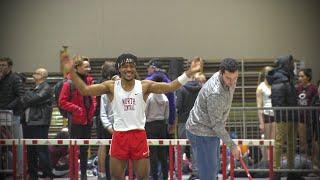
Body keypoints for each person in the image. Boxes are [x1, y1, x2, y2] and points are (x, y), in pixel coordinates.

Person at [61, 53, 202, 180]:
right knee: (116, 177)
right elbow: (85, 90)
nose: (128, 69)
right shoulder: (111, 86)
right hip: (119, 136)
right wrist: (71, 72)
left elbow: (171, 86)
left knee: (142, 177)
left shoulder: (144, 86)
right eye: (124, 66)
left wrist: (190, 72)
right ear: (119, 69)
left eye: (131, 66)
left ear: (135, 68)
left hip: (139, 136)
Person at [185, 58, 241, 180]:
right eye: (228, 78)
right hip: (200, 132)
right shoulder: (215, 93)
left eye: (235, 78)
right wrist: (232, 146)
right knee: (208, 174)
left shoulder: (228, 79)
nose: (232, 82)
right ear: (221, 73)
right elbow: (216, 125)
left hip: (211, 130)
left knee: (213, 170)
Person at [59, 55, 97, 180]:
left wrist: (93, 109)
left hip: (88, 121)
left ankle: (84, 175)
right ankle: (73, 175)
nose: (88, 69)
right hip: (75, 122)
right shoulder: (69, 83)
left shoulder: (90, 81)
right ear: (77, 67)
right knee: (74, 150)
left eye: (89, 66)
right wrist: (77, 109)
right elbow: (62, 102)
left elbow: (93, 99)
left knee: (85, 149)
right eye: (86, 66)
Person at [266, 54, 298, 179]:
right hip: (283, 118)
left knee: (291, 144)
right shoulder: (280, 80)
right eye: (290, 63)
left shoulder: (288, 78)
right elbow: (278, 103)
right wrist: (284, 116)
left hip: (291, 116)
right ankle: (276, 170)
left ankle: (291, 171)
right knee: (279, 143)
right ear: (285, 64)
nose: (292, 65)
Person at [20, 68, 53, 179]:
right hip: (28, 123)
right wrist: (28, 96)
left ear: (43, 75)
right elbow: (23, 101)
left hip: (39, 122)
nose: (33, 74)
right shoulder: (34, 88)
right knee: (30, 151)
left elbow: (34, 99)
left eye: (36, 72)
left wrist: (27, 95)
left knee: (41, 150)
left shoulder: (46, 87)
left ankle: (48, 174)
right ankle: (33, 175)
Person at [0, 57, 25, 176]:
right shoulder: (1, 79)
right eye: (0, 65)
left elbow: (20, 96)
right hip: (2, 115)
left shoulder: (15, 78)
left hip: (13, 114)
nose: (1, 67)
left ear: (10, 66)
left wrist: (8, 107)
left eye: (3, 65)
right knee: (3, 144)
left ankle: (19, 171)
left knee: (16, 144)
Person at [176, 72, 203, 178]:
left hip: (183, 122)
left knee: (180, 147)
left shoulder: (181, 89)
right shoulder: (201, 89)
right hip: (196, 122)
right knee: (195, 148)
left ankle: (179, 170)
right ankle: (196, 171)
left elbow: (178, 106)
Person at [145, 74, 170, 180]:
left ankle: (154, 176)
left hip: (150, 125)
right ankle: (165, 176)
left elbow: (145, 111)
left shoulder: (150, 97)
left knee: (153, 153)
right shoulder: (165, 98)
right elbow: (167, 115)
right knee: (163, 153)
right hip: (162, 125)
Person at [97, 61, 118, 180]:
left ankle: (103, 173)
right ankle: (103, 173)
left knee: (106, 147)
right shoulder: (104, 87)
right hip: (105, 121)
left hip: (111, 122)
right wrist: (109, 126)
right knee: (105, 147)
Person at [145, 58, 176, 135]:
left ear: (153, 68)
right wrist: (171, 122)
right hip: (163, 123)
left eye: (148, 67)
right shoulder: (169, 83)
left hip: (149, 123)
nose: (147, 70)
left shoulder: (147, 82)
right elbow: (172, 105)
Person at [295, 69, 318, 157]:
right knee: (302, 141)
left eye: (302, 76)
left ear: (308, 77)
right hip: (300, 118)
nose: (300, 78)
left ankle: (314, 162)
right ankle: (304, 161)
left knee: (312, 141)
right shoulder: (297, 88)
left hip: (311, 118)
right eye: (299, 76)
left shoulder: (313, 88)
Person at [256, 66, 275, 163]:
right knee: (266, 140)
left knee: (274, 141)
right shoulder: (260, 87)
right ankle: (265, 162)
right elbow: (259, 106)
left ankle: (273, 162)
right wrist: (261, 122)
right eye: (269, 73)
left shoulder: (275, 85)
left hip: (275, 115)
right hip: (266, 115)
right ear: (265, 74)